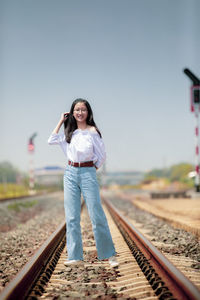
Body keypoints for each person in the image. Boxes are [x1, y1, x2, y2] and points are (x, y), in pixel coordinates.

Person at [48, 98, 118, 267]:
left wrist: (92, 169)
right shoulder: (68, 133)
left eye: (83, 110)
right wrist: (60, 121)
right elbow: (50, 140)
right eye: (77, 110)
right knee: (72, 217)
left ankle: (109, 255)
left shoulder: (93, 131)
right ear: (72, 113)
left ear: (88, 112)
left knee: (96, 214)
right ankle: (75, 257)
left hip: (88, 172)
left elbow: (102, 155)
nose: (80, 113)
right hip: (70, 173)